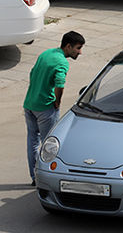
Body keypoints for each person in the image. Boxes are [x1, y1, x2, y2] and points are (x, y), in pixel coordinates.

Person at [24, 31, 85, 186]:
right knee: (50, 144)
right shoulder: (62, 62)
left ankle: (34, 177)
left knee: (33, 141)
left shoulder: (46, 54)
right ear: (68, 46)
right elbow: (60, 85)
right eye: (78, 48)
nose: (80, 52)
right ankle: (49, 178)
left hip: (30, 104)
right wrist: (57, 102)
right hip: (45, 108)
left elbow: (32, 74)